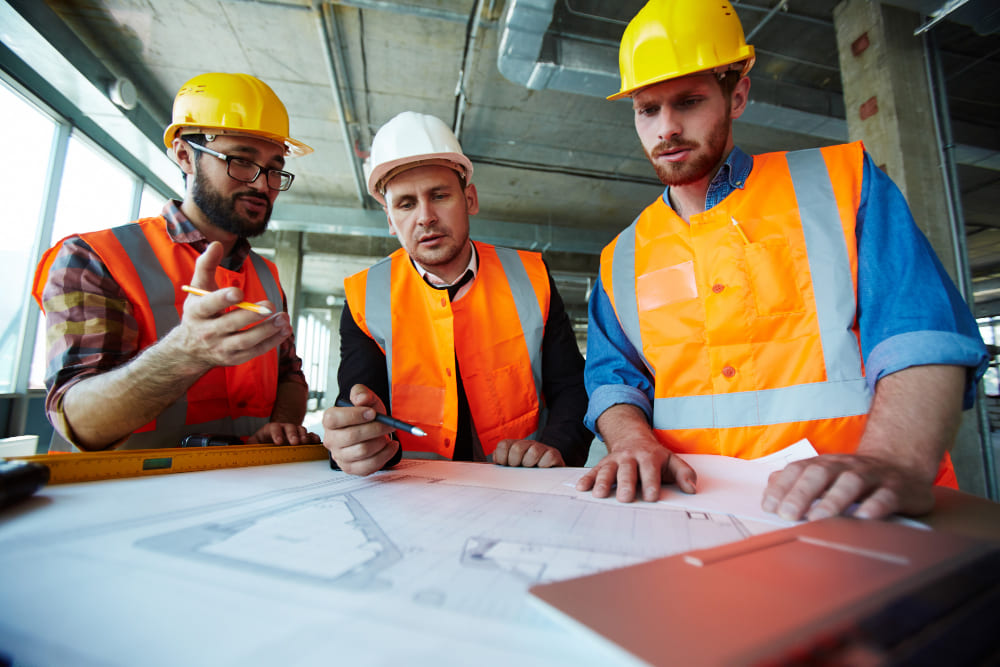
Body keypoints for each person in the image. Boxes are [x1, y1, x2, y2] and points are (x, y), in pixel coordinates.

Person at [578, 0, 988, 521]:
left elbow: (918, 332)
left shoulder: (843, 184)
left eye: (688, 101)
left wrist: (894, 459)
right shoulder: (622, 255)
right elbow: (615, 379)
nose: (667, 129)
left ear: (738, 95)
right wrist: (631, 440)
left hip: (850, 509)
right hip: (687, 513)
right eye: (648, 109)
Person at [32, 72, 320, 451]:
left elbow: (289, 374)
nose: (261, 184)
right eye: (241, 161)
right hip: (130, 497)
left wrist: (281, 424)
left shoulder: (266, 274)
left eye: (274, 168)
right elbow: (80, 423)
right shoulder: (95, 257)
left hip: (247, 487)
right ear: (185, 155)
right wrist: (185, 352)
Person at [322, 111, 591, 475]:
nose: (425, 216)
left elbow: (572, 388)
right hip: (409, 488)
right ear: (390, 220)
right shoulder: (364, 295)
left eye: (439, 195)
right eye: (405, 204)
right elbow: (358, 401)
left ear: (470, 200)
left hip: (521, 484)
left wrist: (555, 446)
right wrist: (353, 442)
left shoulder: (531, 276)